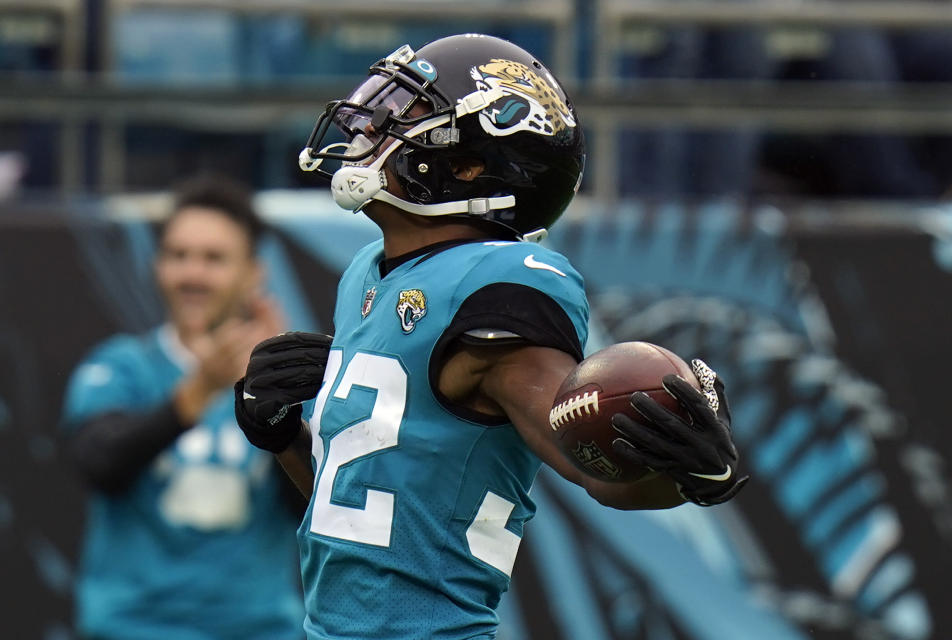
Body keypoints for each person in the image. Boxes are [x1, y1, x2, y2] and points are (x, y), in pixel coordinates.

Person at [234, 34, 748, 640]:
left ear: (469, 165)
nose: (372, 124)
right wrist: (284, 436)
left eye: (409, 114)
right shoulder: (368, 273)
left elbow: (595, 470)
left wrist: (696, 477)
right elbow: (363, 506)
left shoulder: (498, 284)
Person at [61, 175, 305, 640]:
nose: (192, 274)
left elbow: (312, 506)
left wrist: (277, 400)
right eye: (178, 255)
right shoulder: (120, 367)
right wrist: (200, 389)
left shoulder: (294, 388)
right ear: (156, 266)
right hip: (132, 629)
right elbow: (100, 464)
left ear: (254, 273)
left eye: (214, 258)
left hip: (259, 631)